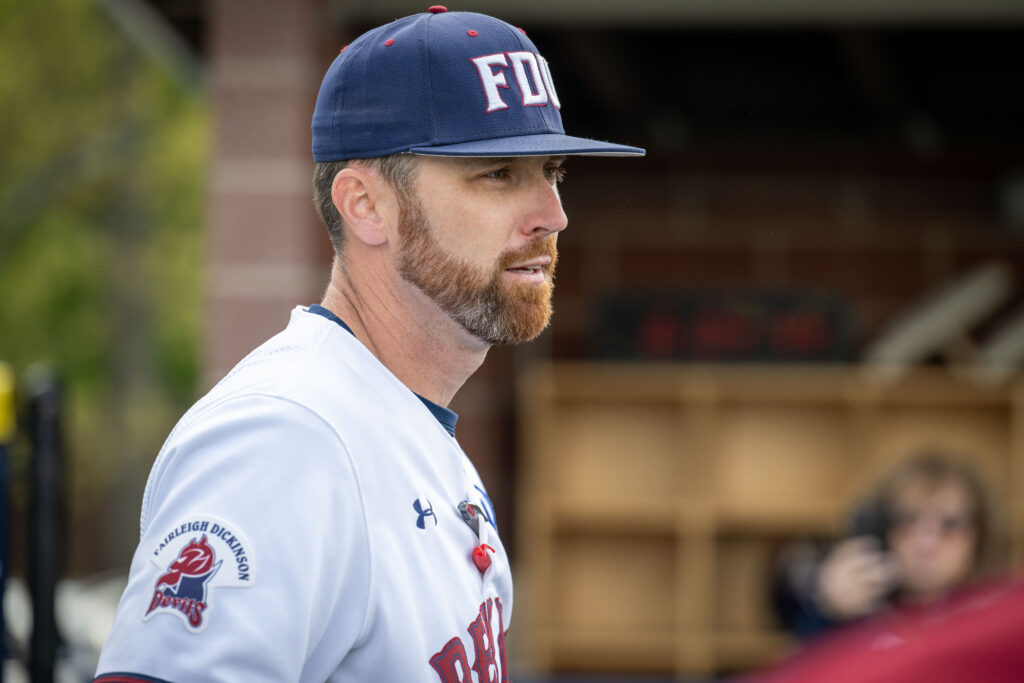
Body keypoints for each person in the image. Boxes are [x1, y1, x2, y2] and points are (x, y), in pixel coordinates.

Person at [93, 7, 644, 682]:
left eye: (552, 170)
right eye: (499, 172)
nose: (553, 215)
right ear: (366, 205)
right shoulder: (284, 436)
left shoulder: (406, 427)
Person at [772, 450, 1003, 640]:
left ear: (979, 536)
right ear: (883, 527)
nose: (926, 543)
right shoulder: (853, 616)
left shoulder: (997, 625)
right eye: (908, 519)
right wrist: (828, 609)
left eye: (950, 524)